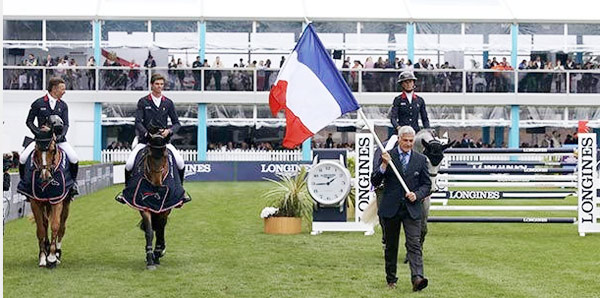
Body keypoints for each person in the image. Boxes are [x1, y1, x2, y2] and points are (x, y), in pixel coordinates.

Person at [371, 126, 431, 292]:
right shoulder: (388, 156)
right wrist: (383, 165)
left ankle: (417, 278)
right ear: (399, 139)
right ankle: (391, 278)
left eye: (411, 141)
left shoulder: (420, 159)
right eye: (405, 140)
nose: (408, 144)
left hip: (412, 208)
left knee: (414, 244)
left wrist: (417, 195)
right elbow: (375, 181)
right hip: (391, 208)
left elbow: (426, 185)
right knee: (391, 246)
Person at [117, 73, 190, 203]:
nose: (159, 86)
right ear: (151, 85)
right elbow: (138, 122)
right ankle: (126, 192)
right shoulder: (143, 101)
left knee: (180, 163)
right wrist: (146, 134)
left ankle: (181, 192)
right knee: (129, 164)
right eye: (157, 84)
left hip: (163, 142)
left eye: (161, 84)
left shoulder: (168, 103)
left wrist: (169, 131)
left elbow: (177, 123)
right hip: (145, 142)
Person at [19, 77, 79, 192]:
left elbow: (66, 124)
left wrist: (60, 136)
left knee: (74, 158)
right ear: (54, 89)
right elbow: (29, 121)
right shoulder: (38, 103)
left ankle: (73, 185)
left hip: (59, 140)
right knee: (22, 158)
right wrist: (38, 133)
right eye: (62, 89)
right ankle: (24, 185)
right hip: (41, 141)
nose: (64, 92)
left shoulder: (63, 105)